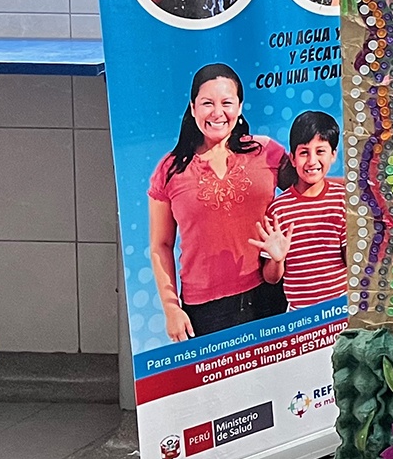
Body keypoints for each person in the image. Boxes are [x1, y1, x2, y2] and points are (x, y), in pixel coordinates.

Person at [148, 65, 288, 340]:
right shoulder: (169, 170)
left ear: (240, 107)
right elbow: (160, 245)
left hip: (270, 293)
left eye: (226, 103)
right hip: (205, 312)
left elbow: (311, 187)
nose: (217, 112)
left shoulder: (266, 151)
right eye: (207, 103)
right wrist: (171, 308)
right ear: (192, 108)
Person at [254, 110, 346, 309]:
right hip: (299, 315)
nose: (312, 161)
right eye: (304, 152)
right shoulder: (278, 210)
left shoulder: (343, 200)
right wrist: (277, 259)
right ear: (293, 158)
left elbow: (353, 262)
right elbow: (271, 278)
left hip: (342, 308)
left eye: (320, 151)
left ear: (333, 155)